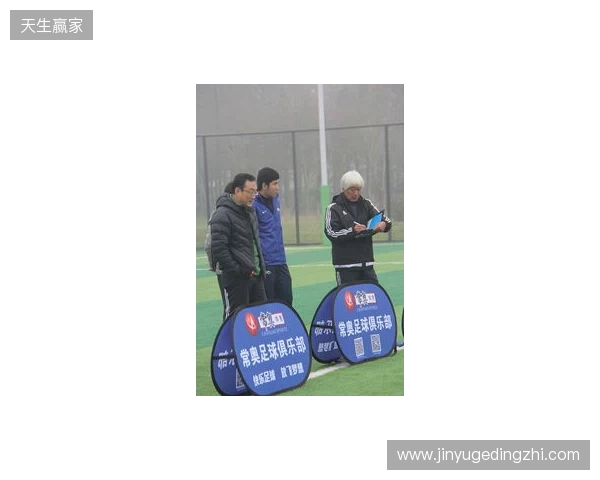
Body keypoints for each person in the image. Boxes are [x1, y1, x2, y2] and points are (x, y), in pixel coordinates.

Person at [210, 173, 267, 320]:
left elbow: (254, 243)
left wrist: (259, 268)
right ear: (237, 191)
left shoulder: (251, 212)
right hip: (236, 280)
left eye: (255, 192)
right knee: (235, 319)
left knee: (261, 318)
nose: (253, 196)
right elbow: (219, 249)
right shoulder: (222, 215)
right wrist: (238, 270)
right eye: (250, 192)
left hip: (256, 276)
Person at [324, 170, 392, 285]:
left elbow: (385, 219)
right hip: (345, 266)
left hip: (367, 265)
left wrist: (384, 224)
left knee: (373, 294)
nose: (355, 193)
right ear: (343, 189)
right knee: (347, 296)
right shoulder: (333, 208)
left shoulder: (367, 204)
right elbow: (331, 233)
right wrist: (352, 231)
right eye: (352, 190)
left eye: (358, 190)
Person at [253, 167, 293, 306]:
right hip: (267, 263)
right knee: (269, 303)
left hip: (281, 260)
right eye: (275, 184)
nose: (278, 187)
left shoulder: (276, 199)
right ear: (264, 185)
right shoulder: (254, 205)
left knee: (287, 301)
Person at [205, 181, 234, 322]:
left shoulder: (217, 213)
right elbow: (210, 244)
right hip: (226, 269)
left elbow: (209, 245)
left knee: (231, 307)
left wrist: (213, 265)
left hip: (229, 268)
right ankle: (228, 335)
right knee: (231, 308)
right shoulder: (220, 214)